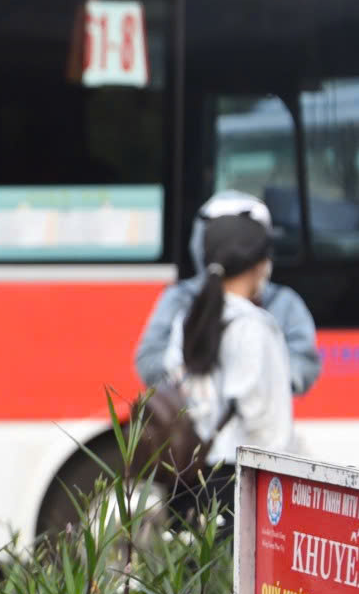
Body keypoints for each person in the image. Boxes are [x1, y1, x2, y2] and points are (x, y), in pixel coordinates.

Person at [173, 210, 296, 524]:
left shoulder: (189, 319)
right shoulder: (254, 327)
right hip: (242, 478)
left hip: (195, 471)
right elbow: (260, 413)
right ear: (259, 266)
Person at [135, 191, 320, 398]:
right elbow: (149, 359)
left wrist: (263, 380)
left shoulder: (283, 303)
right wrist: (191, 377)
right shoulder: (181, 301)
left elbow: (304, 362)